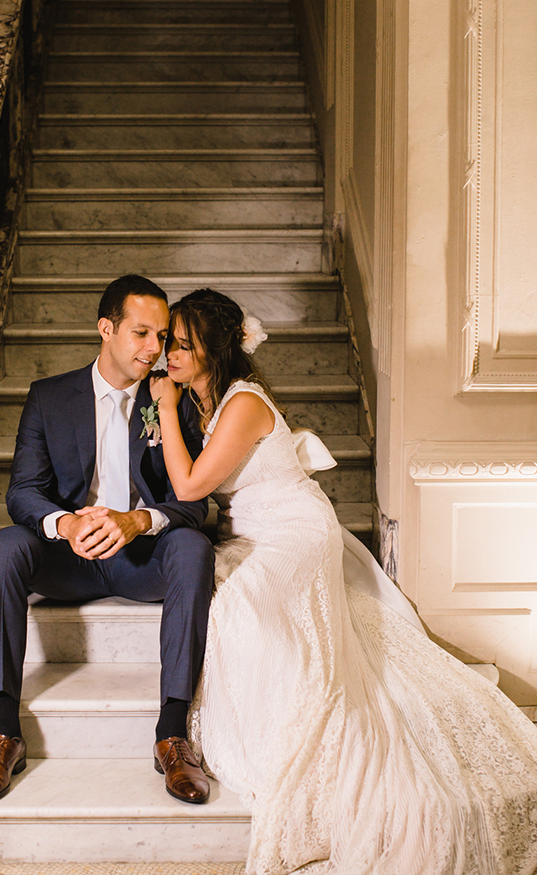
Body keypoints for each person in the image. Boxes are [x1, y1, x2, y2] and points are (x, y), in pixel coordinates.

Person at [150, 287, 537, 875]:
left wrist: (161, 404)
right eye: (169, 345)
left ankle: (302, 735)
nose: (167, 356)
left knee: (241, 608)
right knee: (225, 595)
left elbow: (189, 487)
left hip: (295, 531)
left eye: (181, 346)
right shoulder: (204, 404)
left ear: (214, 351)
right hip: (251, 532)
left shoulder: (243, 402)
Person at [0, 275, 214, 806]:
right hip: (70, 558)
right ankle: (3, 731)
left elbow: (193, 502)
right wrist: (66, 524)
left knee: (193, 547)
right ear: (106, 329)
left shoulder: (174, 401)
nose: (156, 348)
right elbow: (23, 492)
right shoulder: (50, 398)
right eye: (142, 333)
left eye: (162, 335)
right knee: (4, 547)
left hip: (141, 559)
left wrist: (139, 521)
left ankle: (172, 733)